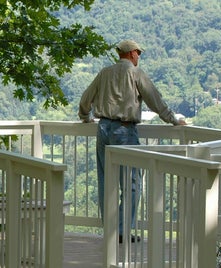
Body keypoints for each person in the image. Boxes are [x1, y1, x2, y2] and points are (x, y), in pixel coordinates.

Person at [78, 39, 186, 243]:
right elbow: (155, 99)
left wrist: (85, 117)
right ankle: (121, 230)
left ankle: (109, 229)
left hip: (103, 129)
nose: (139, 57)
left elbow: (86, 98)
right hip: (124, 131)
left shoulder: (104, 73)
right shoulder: (136, 74)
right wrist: (173, 120)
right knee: (132, 183)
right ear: (132, 53)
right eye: (138, 53)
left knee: (105, 180)